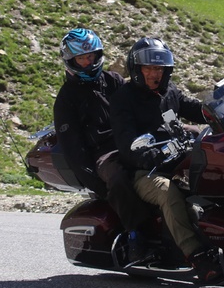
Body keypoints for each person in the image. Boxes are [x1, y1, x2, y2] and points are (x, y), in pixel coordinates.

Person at [110, 37, 222, 283]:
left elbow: (194, 108)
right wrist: (153, 155)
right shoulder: (124, 99)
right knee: (168, 192)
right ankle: (197, 255)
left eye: (159, 69)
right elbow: (127, 143)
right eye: (149, 69)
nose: (154, 74)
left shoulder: (168, 92)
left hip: (177, 159)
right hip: (145, 172)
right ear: (137, 70)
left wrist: (221, 110)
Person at [53, 28, 152, 234]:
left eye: (91, 56)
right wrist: (98, 184)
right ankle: (137, 235)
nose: (89, 62)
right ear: (71, 60)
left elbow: (139, 108)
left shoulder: (113, 81)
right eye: (82, 58)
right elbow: (73, 149)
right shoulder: (66, 99)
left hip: (129, 142)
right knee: (118, 177)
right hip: (103, 154)